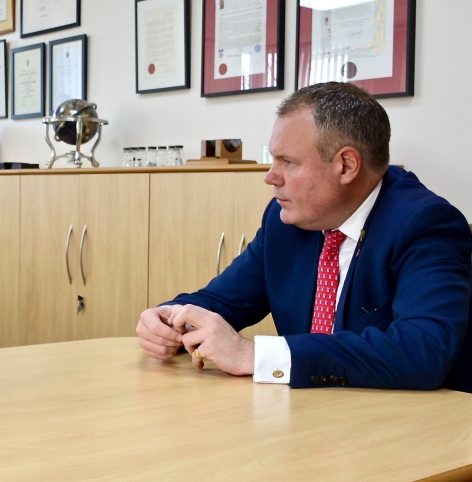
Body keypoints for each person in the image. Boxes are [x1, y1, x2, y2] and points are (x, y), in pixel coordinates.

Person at [136, 82, 472, 394]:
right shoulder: (285, 220)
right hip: (307, 418)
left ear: (346, 165)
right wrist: (169, 319)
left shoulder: (425, 224)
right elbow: (224, 302)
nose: (270, 177)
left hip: (408, 429)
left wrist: (255, 355)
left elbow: (423, 351)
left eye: (288, 162)